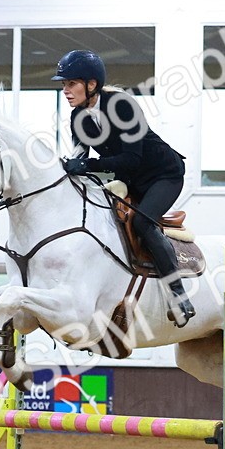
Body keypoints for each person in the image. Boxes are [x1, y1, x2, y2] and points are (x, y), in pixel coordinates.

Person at [52, 49, 195, 327]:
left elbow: (131, 159)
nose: (65, 91)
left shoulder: (121, 106)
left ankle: (178, 294)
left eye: (71, 84)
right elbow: (80, 159)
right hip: (130, 178)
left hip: (163, 175)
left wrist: (88, 166)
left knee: (142, 222)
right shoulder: (77, 118)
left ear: (91, 85)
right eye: (63, 85)